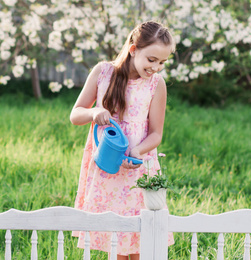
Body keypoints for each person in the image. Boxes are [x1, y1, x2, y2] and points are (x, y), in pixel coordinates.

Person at [70, 21, 175, 260]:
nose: (156, 67)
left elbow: (157, 134)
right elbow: (75, 115)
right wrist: (94, 112)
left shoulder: (156, 85)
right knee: (115, 240)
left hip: (137, 170)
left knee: (140, 241)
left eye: (162, 62)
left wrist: (138, 151)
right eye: (152, 59)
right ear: (133, 49)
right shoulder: (102, 73)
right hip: (107, 170)